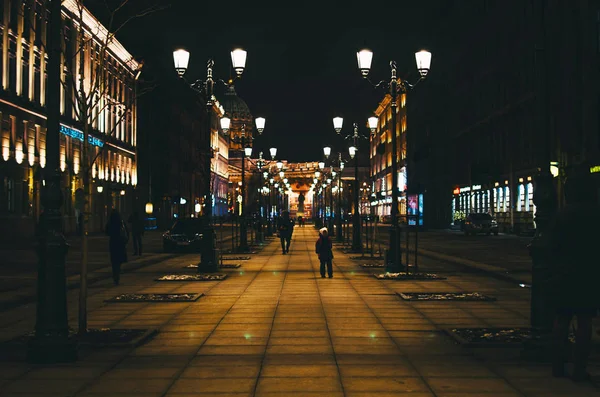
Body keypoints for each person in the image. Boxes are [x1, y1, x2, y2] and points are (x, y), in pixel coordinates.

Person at [546, 166, 600, 381]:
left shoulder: (563, 215)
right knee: (585, 322)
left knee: (561, 320)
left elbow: (552, 246)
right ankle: (579, 369)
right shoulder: (596, 214)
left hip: (564, 274)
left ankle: (558, 367)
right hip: (588, 274)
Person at [106, 209, 128, 285]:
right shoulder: (121, 223)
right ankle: (117, 275)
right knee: (118, 261)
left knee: (114, 261)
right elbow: (126, 232)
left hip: (113, 243)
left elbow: (107, 232)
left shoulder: (110, 223)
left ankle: (115, 276)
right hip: (120, 243)